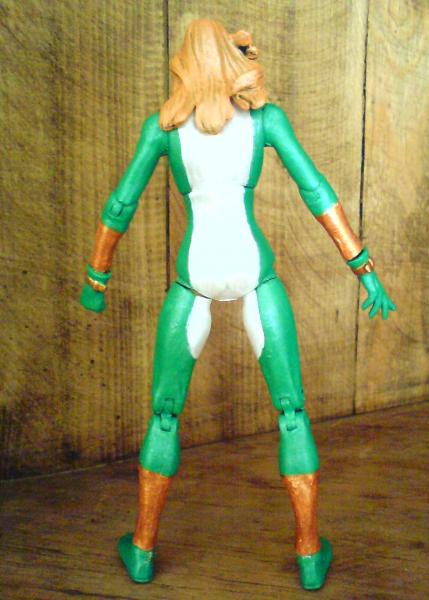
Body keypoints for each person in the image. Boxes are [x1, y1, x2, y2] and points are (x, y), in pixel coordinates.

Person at [80, 19, 395, 591]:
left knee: (165, 415)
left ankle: (143, 550)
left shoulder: (163, 129)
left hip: (194, 277)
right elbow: (316, 190)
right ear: (231, 62)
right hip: (254, 272)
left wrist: (96, 278)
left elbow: (120, 204)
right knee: (291, 413)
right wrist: (363, 268)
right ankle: (308, 555)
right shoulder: (265, 122)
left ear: (184, 64)